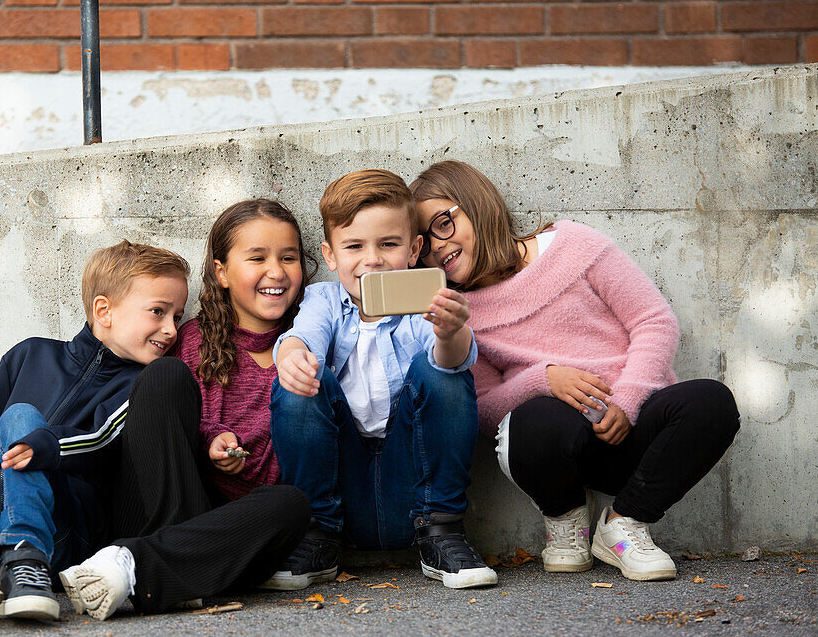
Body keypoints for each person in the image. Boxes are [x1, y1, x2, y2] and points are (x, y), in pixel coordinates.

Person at [0, 240, 309, 629]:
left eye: (177, 317)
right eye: (158, 312)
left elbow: (106, 438)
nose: (171, 330)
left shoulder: (140, 385)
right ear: (104, 311)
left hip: (61, 533)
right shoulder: (28, 355)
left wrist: (49, 445)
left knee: (22, 420)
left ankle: (29, 560)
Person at [411, 160, 740, 581]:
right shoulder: (459, 313)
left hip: (637, 431)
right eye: (424, 242)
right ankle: (565, 520)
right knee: (531, 422)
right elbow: (484, 409)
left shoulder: (574, 245)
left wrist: (628, 402)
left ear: (476, 205)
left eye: (443, 223)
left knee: (711, 401)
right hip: (561, 451)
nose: (437, 247)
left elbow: (653, 321)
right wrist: (543, 379)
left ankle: (624, 524)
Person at [265, 169, 497, 591]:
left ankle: (443, 535)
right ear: (331, 255)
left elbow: (450, 362)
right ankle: (315, 538)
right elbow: (302, 336)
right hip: (341, 493)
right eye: (354, 246)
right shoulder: (323, 300)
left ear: (414, 250)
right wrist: (292, 356)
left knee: (443, 369)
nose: (372, 259)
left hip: (412, 488)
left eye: (388, 244)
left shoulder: (428, 300)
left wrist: (450, 332)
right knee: (301, 378)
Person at [171, 199, 314, 502]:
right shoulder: (194, 342)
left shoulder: (312, 337)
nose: (276, 272)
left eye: (288, 258)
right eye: (257, 258)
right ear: (221, 273)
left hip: (299, 513)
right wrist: (211, 440)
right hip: (216, 510)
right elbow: (178, 423)